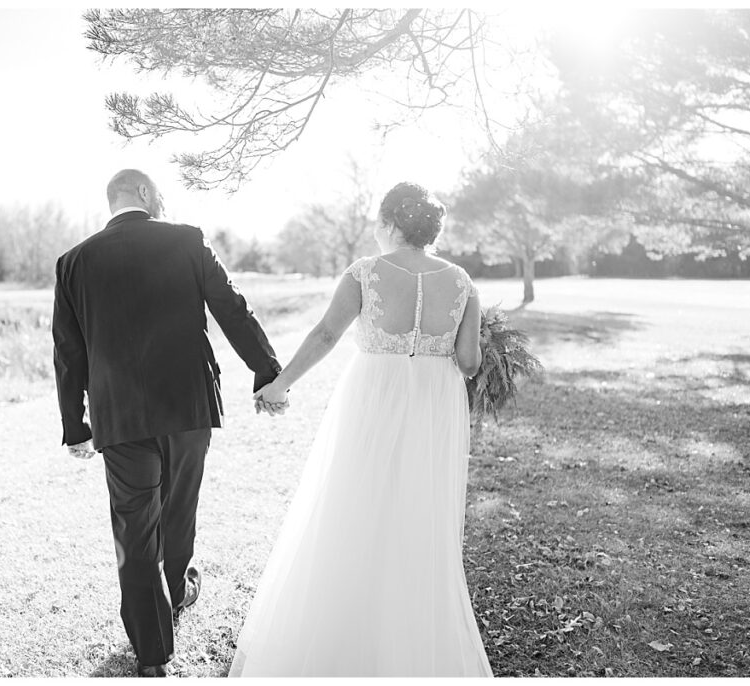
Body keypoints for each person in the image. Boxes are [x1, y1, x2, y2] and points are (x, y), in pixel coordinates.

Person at [229, 182, 493, 677]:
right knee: (417, 511)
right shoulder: (462, 283)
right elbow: (470, 362)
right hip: (433, 409)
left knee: (354, 504)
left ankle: (343, 638)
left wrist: (279, 386)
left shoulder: (365, 273)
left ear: (392, 223)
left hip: (374, 397)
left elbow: (327, 334)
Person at [52, 169, 284, 677]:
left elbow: (68, 353)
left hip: (120, 416)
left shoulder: (73, 263)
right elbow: (231, 306)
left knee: (134, 530)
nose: (163, 200)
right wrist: (267, 370)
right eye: (158, 192)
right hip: (187, 406)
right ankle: (176, 592)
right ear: (141, 192)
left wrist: (77, 424)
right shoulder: (186, 239)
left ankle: (154, 652)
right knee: (179, 507)